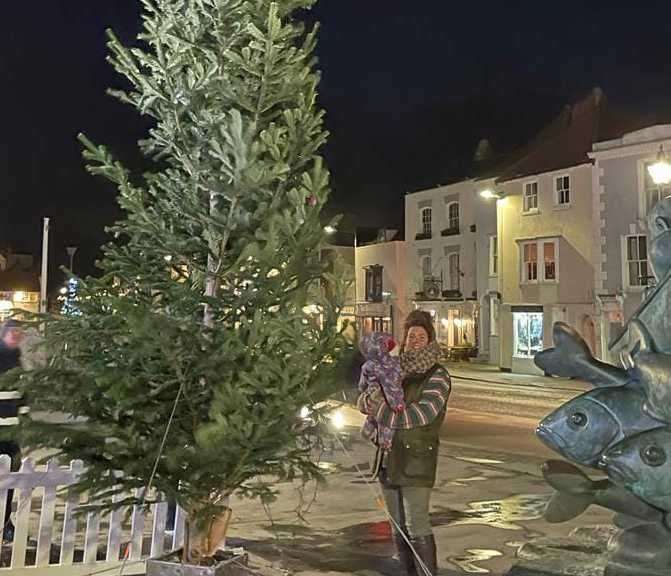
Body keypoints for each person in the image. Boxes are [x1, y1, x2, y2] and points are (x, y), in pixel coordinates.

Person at [358, 311, 451, 576]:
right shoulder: (392, 368)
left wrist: (381, 413)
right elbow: (367, 394)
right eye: (411, 335)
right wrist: (365, 402)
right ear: (405, 339)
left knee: (417, 523)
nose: (416, 340)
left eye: (422, 335)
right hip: (387, 458)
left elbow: (423, 414)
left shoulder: (437, 375)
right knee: (397, 525)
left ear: (430, 339)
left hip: (416, 459)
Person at [0, 319, 25, 542]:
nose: (18, 336)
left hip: (12, 433)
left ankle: (6, 521)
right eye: (15, 332)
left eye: (21, 332)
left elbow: (23, 394)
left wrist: (24, 419)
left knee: (11, 479)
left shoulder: (17, 359)